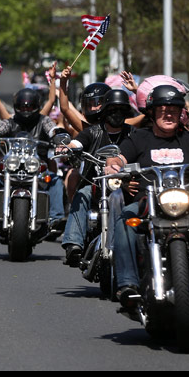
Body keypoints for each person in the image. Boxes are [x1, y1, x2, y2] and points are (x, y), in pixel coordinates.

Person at [106, 85, 189, 310]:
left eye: (174, 109)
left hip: (188, 206)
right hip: (147, 205)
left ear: (181, 113)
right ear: (152, 112)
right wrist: (112, 166)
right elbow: (119, 157)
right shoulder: (139, 137)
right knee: (124, 221)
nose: (169, 114)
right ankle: (127, 284)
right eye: (163, 109)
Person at [0, 87, 67, 233]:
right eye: (22, 107)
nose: (26, 110)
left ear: (37, 107)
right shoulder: (11, 121)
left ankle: (56, 219)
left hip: (37, 168)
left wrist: (59, 138)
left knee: (56, 182)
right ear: (16, 107)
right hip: (12, 167)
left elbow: (53, 130)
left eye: (30, 106)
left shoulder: (44, 121)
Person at [59, 88, 136, 267]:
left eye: (121, 110)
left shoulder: (134, 134)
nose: (117, 114)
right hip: (96, 184)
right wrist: (68, 147)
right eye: (112, 110)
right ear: (104, 111)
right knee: (83, 194)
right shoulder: (92, 131)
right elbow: (77, 142)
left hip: (125, 185)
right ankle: (73, 244)